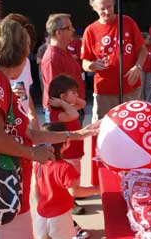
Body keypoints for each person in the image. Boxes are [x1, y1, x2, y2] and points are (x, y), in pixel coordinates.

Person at [0, 18, 98, 238]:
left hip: (0, 196)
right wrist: (33, 153)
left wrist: (76, 134)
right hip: (0, 198)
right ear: (15, 51)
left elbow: (25, 132)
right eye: (27, 49)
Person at [81, 0, 147, 185]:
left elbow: (142, 49)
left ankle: (135, 169)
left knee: (133, 129)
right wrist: (91, 65)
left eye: (110, 6)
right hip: (104, 91)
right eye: (102, 8)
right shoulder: (90, 31)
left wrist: (138, 66)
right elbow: (84, 62)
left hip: (130, 87)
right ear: (93, 7)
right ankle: (102, 175)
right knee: (103, 131)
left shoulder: (127, 22)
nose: (107, 12)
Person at [34, 122, 99, 239]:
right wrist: (96, 189)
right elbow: (75, 192)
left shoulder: (39, 163)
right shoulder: (66, 167)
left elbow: (36, 188)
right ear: (67, 143)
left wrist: (42, 205)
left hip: (41, 214)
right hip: (60, 216)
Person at [48, 74, 88, 217]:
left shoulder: (67, 107)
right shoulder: (57, 114)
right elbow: (74, 115)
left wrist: (71, 99)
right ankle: (70, 200)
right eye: (74, 93)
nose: (77, 95)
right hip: (67, 153)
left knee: (76, 175)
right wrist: (63, 103)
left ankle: (76, 192)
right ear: (62, 96)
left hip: (75, 150)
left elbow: (82, 104)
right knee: (69, 180)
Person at [41, 13, 85, 124]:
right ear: (58, 32)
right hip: (63, 115)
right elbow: (55, 95)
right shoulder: (53, 58)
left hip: (72, 111)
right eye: (69, 27)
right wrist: (80, 103)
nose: (73, 30)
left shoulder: (63, 52)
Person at [140, 32, 151, 101]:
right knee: (141, 86)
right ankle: (142, 100)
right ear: (144, 39)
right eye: (149, 39)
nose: (150, 40)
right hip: (142, 70)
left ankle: (148, 100)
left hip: (150, 70)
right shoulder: (140, 47)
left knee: (148, 86)